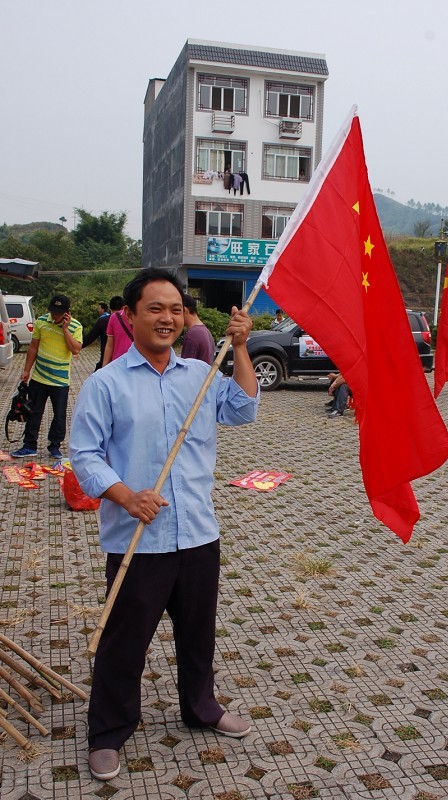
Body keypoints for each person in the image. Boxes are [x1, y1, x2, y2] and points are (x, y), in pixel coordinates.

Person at [69, 268, 259, 782]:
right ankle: (109, 730)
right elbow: (83, 455)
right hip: (139, 539)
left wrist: (240, 348)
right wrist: (125, 495)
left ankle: (202, 708)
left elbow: (243, 409)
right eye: (155, 308)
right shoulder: (106, 384)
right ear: (129, 317)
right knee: (123, 642)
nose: (167, 318)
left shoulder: (200, 375)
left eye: (175, 308)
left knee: (198, 635)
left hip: (198, 533)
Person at [11, 294, 82, 459]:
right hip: (39, 377)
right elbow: (33, 348)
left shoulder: (75, 326)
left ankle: (55, 446)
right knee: (34, 412)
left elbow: (76, 349)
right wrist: (26, 370)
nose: (54, 316)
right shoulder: (41, 322)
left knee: (59, 415)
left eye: (58, 313)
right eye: (53, 312)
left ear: (67, 313)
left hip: (60, 380)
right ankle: (29, 445)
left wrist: (65, 329)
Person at [181, 293, 215, 365]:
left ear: (184, 310)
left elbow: (186, 369)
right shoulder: (205, 331)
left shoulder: (193, 334)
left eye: (176, 310)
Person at [102, 296, 133, 366]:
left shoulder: (144, 317)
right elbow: (109, 345)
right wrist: (104, 368)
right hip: (118, 364)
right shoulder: (114, 317)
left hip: (139, 363)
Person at [81, 302, 110, 370]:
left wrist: (78, 345)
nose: (98, 310)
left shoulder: (103, 319)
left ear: (103, 309)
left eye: (99, 308)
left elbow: (91, 335)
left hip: (106, 348)